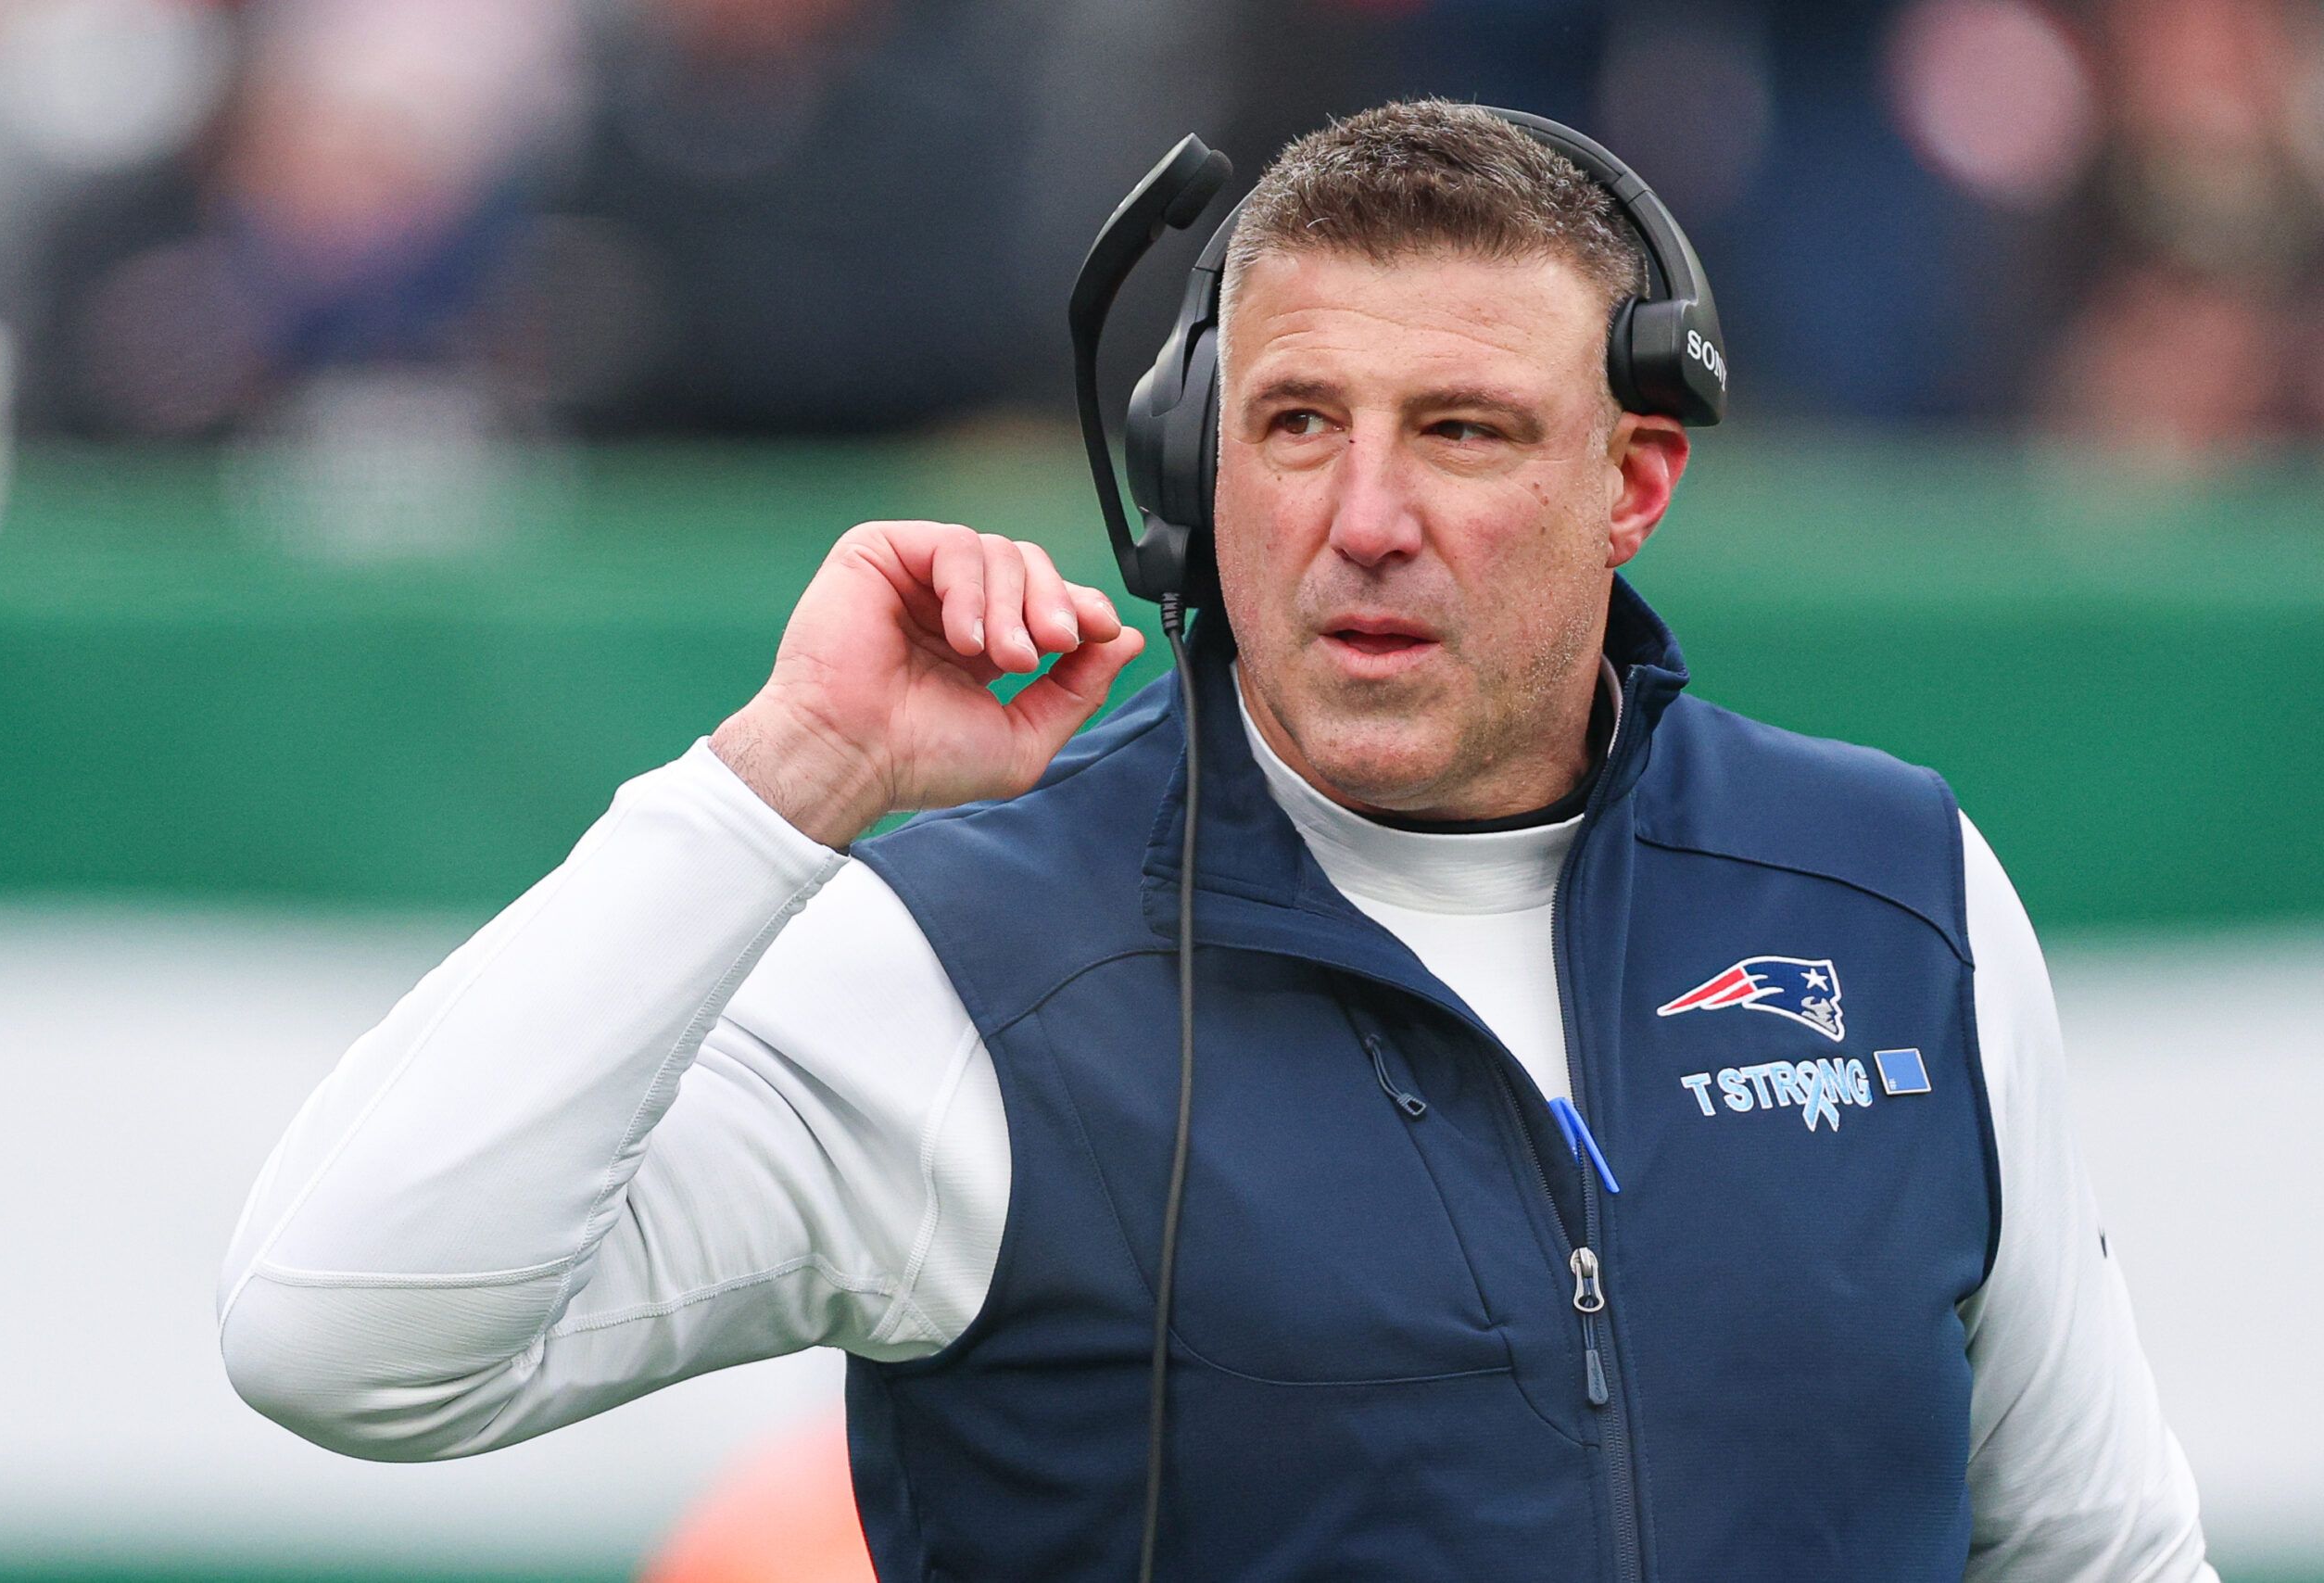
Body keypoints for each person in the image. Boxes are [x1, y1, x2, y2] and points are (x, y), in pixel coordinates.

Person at [218, 100, 2214, 1580]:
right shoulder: (960, 958)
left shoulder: (1889, 885)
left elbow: (2092, 1543)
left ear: (1634, 480)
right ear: (1184, 469)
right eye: (1287, 422)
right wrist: (784, 774)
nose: (1359, 515)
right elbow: (343, 1328)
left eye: (1459, 429)